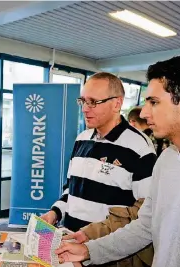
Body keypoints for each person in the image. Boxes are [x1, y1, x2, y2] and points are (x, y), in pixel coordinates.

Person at [56, 53, 180, 267]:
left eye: (154, 102)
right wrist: (90, 251)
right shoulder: (167, 159)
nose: (143, 112)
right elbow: (145, 226)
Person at [41, 72, 156, 232]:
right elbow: (71, 191)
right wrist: (55, 213)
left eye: (93, 102)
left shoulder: (140, 148)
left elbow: (144, 213)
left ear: (117, 104)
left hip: (107, 252)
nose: (85, 109)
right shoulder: (81, 139)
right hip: (68, 243)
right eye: (83, 101)